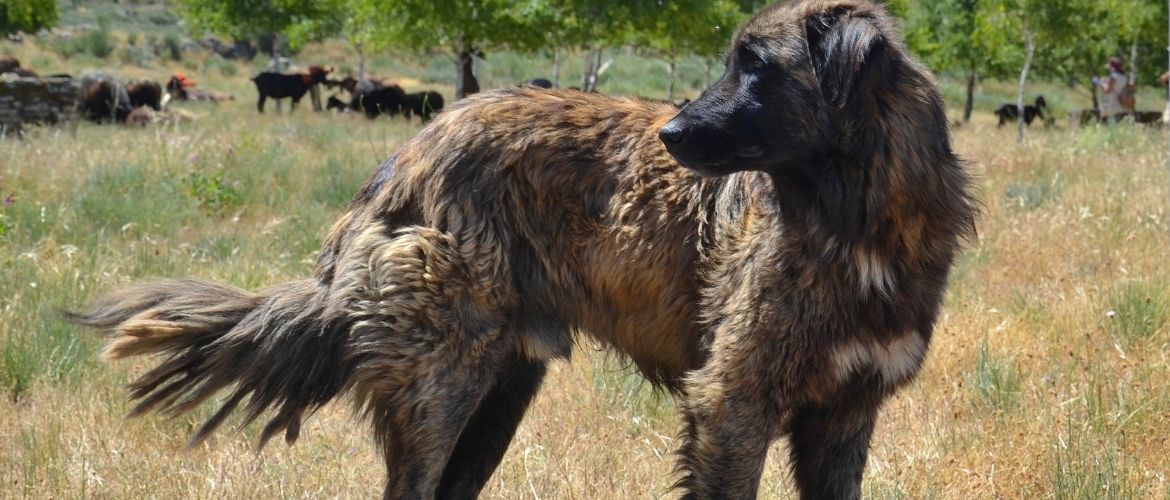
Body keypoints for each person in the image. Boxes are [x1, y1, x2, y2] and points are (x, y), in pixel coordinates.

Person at [1094, 57, 1131, 121]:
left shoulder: (1113, 77)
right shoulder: (1124, 78)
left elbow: (1107, 90)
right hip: (1122, 108)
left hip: (1112, 109)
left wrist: (1099, 82)